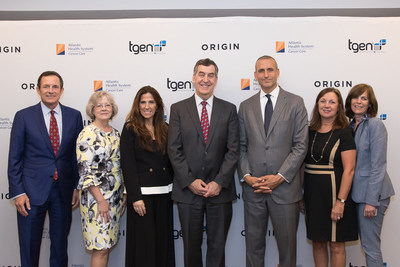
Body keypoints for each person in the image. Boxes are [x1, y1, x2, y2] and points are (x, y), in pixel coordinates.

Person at [168, 58, 239, 267]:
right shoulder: (178, 109)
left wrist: (219, 182)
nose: (205, 80)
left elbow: (233, 150)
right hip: (188, 192)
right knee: (191, 247)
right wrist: (190, 181)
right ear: (193, 77)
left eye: (210, 75)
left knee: (218, 247)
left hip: (220, 192)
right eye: (201, 74)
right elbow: (174, 149)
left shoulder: (229, 109)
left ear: (216, 79)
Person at [238, 55, 308, 267]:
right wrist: (248, 177)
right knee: (253, 248)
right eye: (261, 71)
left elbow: (300, 145)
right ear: (255, 75)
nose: (266, 75)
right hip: (254, 190)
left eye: (270, 70)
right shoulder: (245, 106)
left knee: (287, 250)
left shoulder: (295, 102)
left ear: (278, 72)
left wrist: (279, 177)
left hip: (285, 190)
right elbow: (240, 147)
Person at [7, 71, 83, 267]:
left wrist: (76, 187)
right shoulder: (23, 116)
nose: (51, 91)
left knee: (60, 249)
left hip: (63, 192)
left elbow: (76, 156)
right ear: (38, 90)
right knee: (29, 248)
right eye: (46, 87)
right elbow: (14, 158)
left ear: (62, 90)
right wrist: (18, 192)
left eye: (55, 87)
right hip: (30, 193)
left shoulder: (74, 116)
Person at [120, 86, 175, 267]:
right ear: (137, 105)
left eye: (151, 102)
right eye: (143, 102)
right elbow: (128, 165)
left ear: (158, 105)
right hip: (141, 198)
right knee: (144, 247)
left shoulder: (165, 128)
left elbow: (172, 162)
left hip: (165, 193)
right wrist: (135, 197)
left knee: (162, 244)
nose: (147, 106)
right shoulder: (130, 129)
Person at [303, 88, 358, 267]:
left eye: (332, 102)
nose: (327, 105)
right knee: (318, 242)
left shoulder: (345, 132)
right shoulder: (308, 130)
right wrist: (301, 195)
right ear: (317, 104)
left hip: (335, 194)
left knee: (336, 245)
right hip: (313, 196)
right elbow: (301, 165)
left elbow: (349, 169)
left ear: (339, 107)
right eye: (323, 101)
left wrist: (340, 201)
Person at [345, 84, 395, 267]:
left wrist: (371, 201)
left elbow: (378, 165)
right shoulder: (351, 125)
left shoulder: (375, 124)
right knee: (368, 245)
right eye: (355, 97)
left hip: (373, 196)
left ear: (370, 103)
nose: (358, 101)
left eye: (363, 98)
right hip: (358, 195)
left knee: (370, 247)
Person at [76, 91, 126, 267]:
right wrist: (101, 200)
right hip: (96, 201)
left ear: (112, 109)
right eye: (99, 105)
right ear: (92, 110)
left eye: (107, 105)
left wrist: (124, 194)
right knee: (101, 247)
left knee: (107, 245)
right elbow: (85, 172)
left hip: (115, 198)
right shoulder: (87, 134)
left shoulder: (117, 134)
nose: (104, 108)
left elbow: (122, 166)